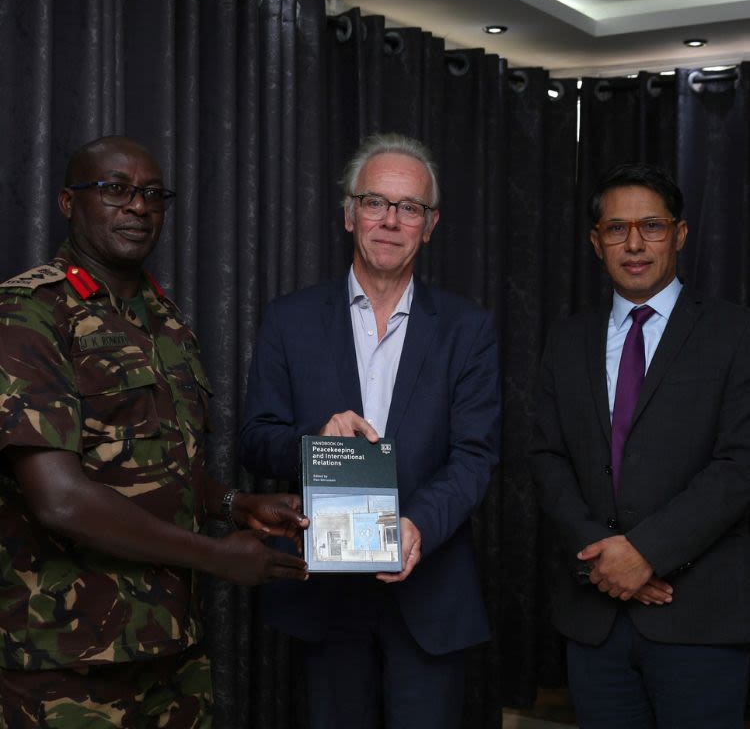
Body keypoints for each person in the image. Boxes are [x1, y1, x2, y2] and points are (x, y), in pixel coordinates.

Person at [0, 136, 309, 728]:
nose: (138, 207)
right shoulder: (29, 313)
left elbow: (154, 464)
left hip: (172, 649)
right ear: (69, 202)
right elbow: (60, 499)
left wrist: (233, 502)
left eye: (152, 195)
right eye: (115, 189)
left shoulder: (164, 319)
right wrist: (218, 558)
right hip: (67, 662)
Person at [240, 133, 501, 729]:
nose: (391, 220)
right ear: (349, 213)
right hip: (323, 593)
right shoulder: (290, 318)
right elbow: (254, 438)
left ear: (429, 226)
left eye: (409, 207)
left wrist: (417, 526)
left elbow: (476, 456)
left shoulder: (468, 329)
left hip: (428, 588)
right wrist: (316, 436)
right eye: (375, 202)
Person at [529, 162, 750, 729]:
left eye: (650, 226)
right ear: (595, 241)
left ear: (678, 234)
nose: (633, 243)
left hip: (699, 620)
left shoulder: (736, 334)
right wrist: (604, 557)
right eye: (615, 228)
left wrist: (646, 552)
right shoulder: (566, 340)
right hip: (594, 620)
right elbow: (547, 460)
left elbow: (740, 464)